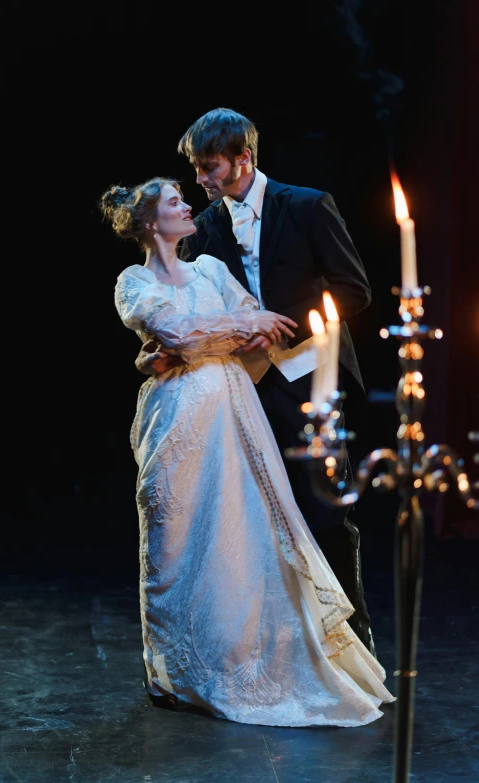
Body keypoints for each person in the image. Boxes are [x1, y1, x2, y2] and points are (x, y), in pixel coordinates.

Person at [101, 175, 395, 726]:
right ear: (148, 222)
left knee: (240, 538)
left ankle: (237, 656)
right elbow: (181, 332)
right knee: (174, 540)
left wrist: (236, 330)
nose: (187, 203)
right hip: (177, 419)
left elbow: (249, 334)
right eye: (173, 201)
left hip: (235, 411)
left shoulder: (210, 269)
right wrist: (232, 326)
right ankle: (171, 672)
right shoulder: (132, 283)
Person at [135, 107, 376, 655]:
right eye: (195, 170)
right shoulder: (209, 226)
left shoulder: (308, 205)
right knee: (257, 516)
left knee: (328, 513)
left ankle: (353, 643)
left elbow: (354, 291)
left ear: (244, 158)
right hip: (242, 386)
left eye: (209, 167)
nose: (201, 180)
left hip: (312, 377)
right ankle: (281, 646)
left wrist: (276, 327)